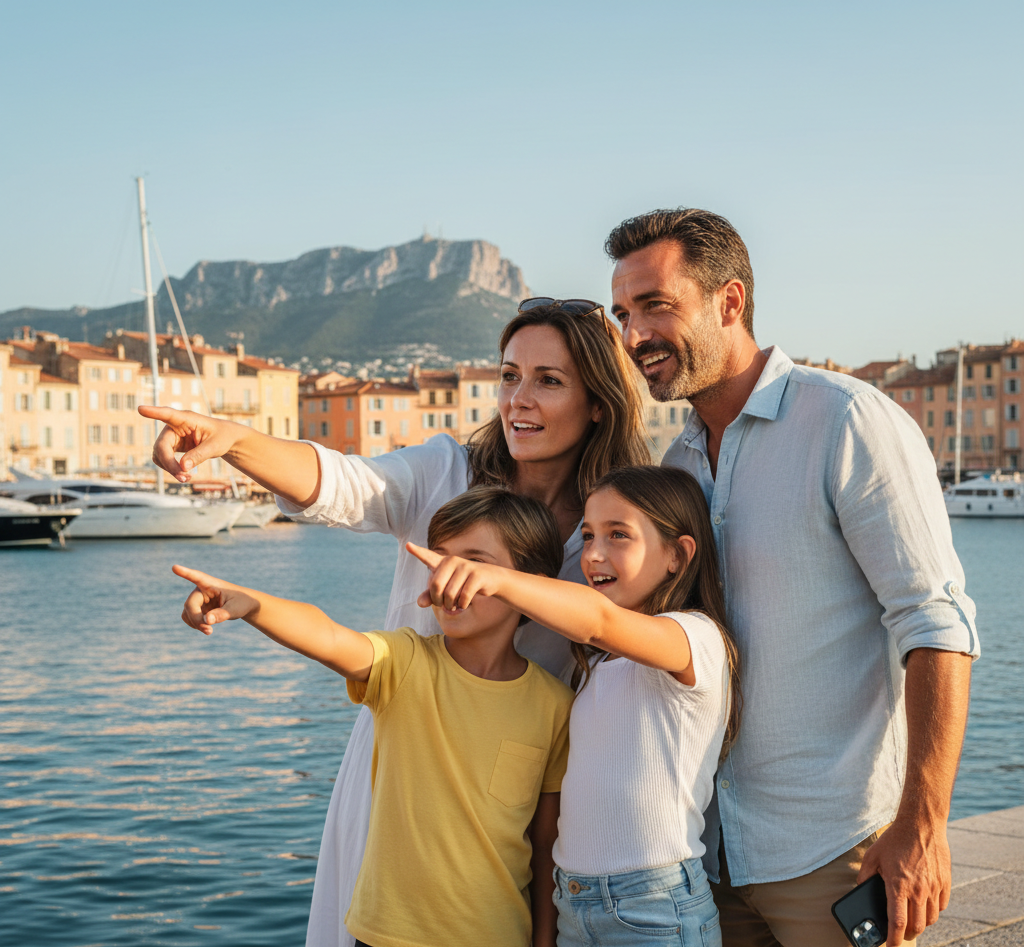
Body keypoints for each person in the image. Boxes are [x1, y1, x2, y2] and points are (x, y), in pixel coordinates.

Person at [139, 299, 650, 947]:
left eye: (549, 380)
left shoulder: (611, 527)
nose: (519, 399)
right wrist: (233, 440)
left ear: (598, 401)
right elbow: (345, 483)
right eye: (509, 375)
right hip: (405, 780)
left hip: (526, 783)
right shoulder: (446, 472)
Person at [604, 208, 979, 947]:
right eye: (622, 312)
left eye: (655, 306)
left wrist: (922, 825)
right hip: (708, 859)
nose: (634, 334)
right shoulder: (676, 466)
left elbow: (935, 622)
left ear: (730, 302)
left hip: (835, 853)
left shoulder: (846, 421)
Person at [172, 486, 575, 947]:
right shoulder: (404, 663)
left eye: (473, 564)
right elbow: (326, 634)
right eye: (439, 560)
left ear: (531, 583)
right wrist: (250, 603)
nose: (447, 579)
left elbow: (545, 849)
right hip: (384, 938)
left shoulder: (555, 706)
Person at [408, 464, 740, 947]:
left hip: (653, 910)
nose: (595, 554)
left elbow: (597, 621)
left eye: (618, 535)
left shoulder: (696, 639)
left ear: (677, 554)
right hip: (575, 904)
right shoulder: (599, 667)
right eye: (587, 536)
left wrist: (495, 578)